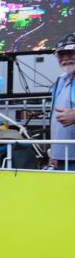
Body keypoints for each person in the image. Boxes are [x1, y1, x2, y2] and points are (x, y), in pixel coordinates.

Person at [49, 32, 75, 171]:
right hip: (62, 156)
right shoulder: (60, 80)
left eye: (70, 53)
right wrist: (53, 153)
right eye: (61, 55)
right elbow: (55, 120)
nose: (65, 58)